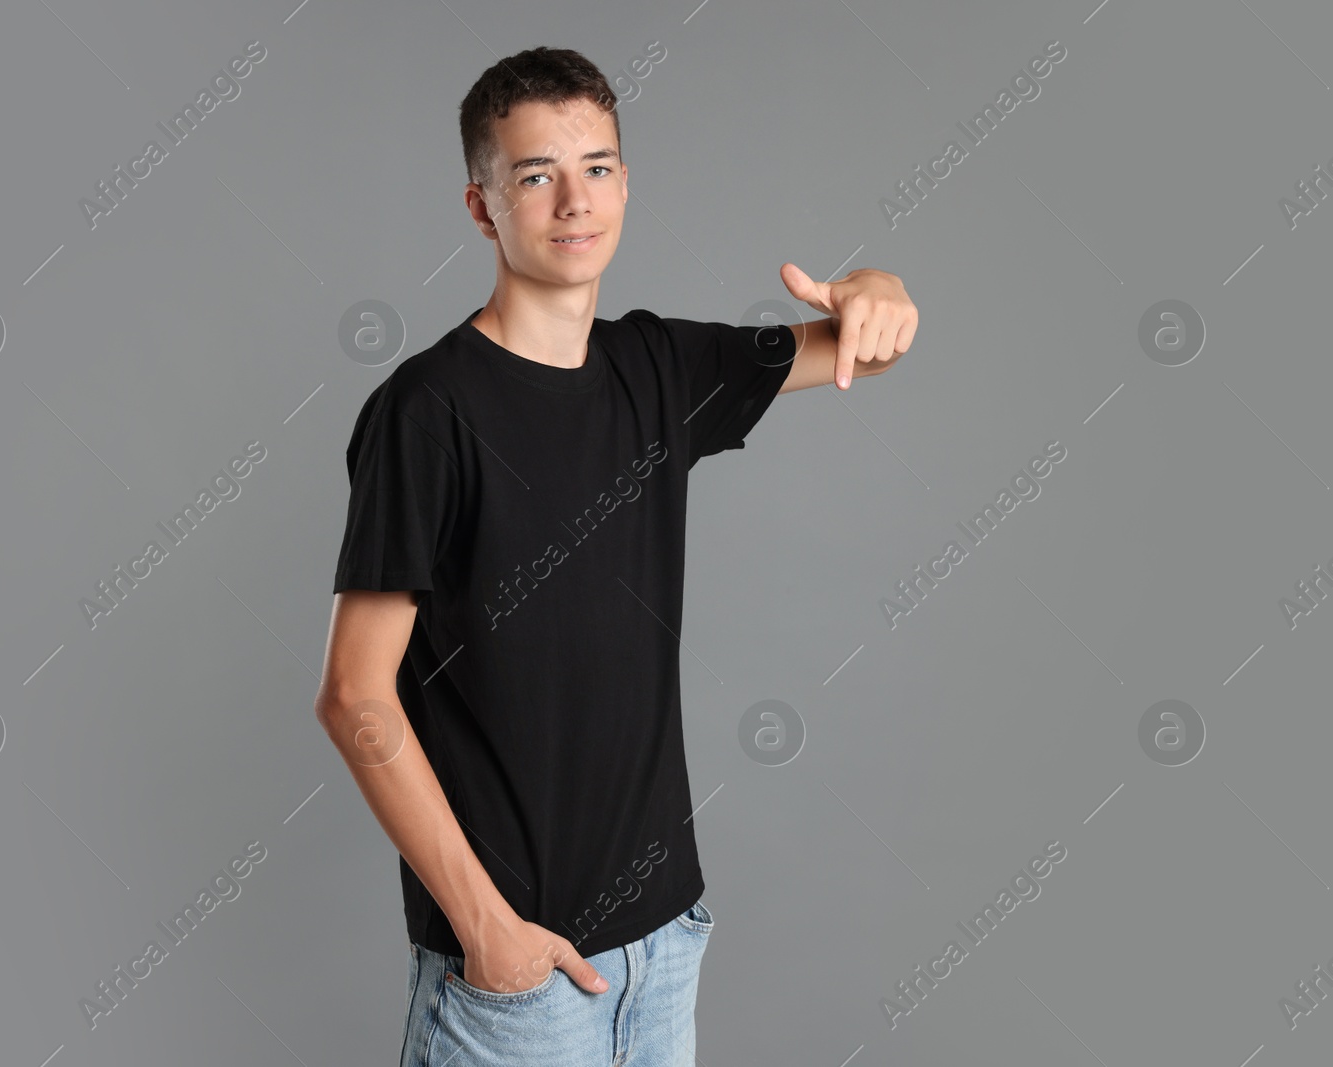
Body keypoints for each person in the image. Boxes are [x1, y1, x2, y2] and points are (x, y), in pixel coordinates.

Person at [315, 45, 917, 1066]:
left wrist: (880, 289)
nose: (573, 200)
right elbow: (353, 693)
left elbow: (858, 342)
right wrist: (486, 928)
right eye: (534, 175)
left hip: (664, 949)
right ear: (481, 206)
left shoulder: (657, 366)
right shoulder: (426, 412)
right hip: (518, 978)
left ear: (625, 183)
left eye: (596, 166)